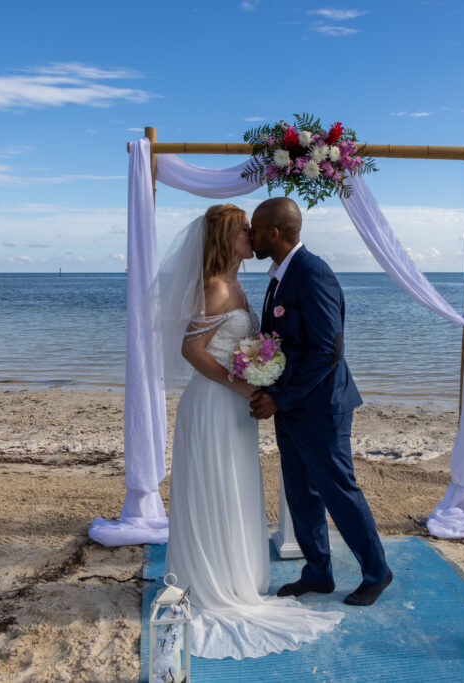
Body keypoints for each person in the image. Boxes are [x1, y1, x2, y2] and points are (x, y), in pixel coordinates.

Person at [158, 203, 343, 661]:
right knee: (216, 487)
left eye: (253, 229)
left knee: (236, 488)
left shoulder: (239, 285)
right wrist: (237, 383)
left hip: (236, 408)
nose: (251, 235)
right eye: (244, 230)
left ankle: (235, 573)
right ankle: (214, 579)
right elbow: (190, 348)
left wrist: (264, 372)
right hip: (213, 405)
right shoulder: (216, 289)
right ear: (228, 240)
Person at [248, 197, 392, 607]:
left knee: (338, 492)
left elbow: (327, 350)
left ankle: (377, 572)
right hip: (291, 406)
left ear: (273, 233)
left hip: (322, 407)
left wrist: (281, 397)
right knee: (300, 493)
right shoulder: (280, 275)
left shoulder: (313, 273)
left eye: (255, 231)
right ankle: (317, 572)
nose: (251, 237)